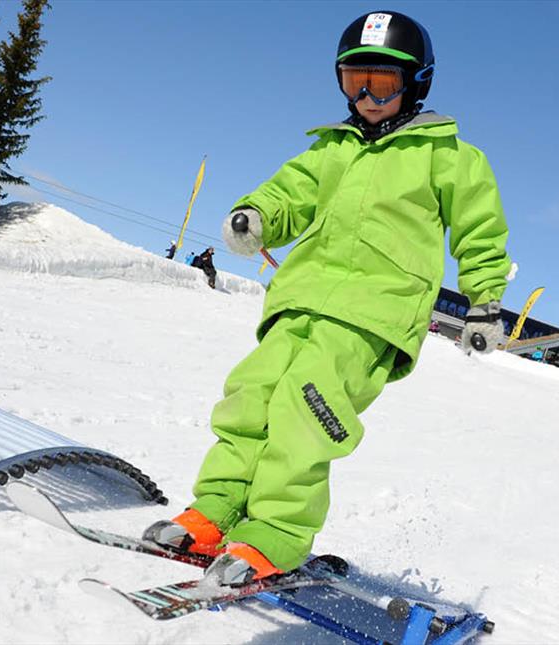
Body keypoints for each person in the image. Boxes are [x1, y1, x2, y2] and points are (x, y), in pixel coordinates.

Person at [142, 10, 514, 586]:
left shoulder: (450, 157)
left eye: (384, 82)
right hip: (300, 297)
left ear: (417, 82)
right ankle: (215, 510)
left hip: (375, 312)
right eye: (353, 79)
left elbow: (480, 229)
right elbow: (288, 193)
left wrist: (484, 300)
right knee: (251, 400)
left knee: (305, 413)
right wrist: (258, 216)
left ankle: (277, 534)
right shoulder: (331, 150)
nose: (367, 95)